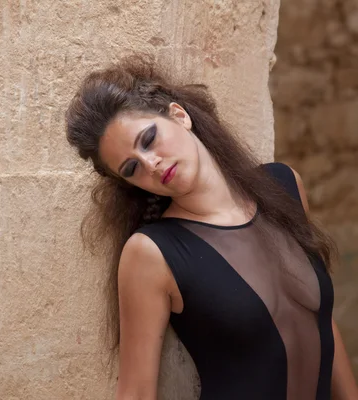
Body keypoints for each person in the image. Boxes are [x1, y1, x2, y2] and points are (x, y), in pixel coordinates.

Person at [65, 54, 358, 400]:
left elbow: (319, 322)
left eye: (148, 140)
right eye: (132, 169)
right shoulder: (154, 253)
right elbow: (137, 393)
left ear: (179, 115)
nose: (151, 163)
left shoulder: (284, 186)